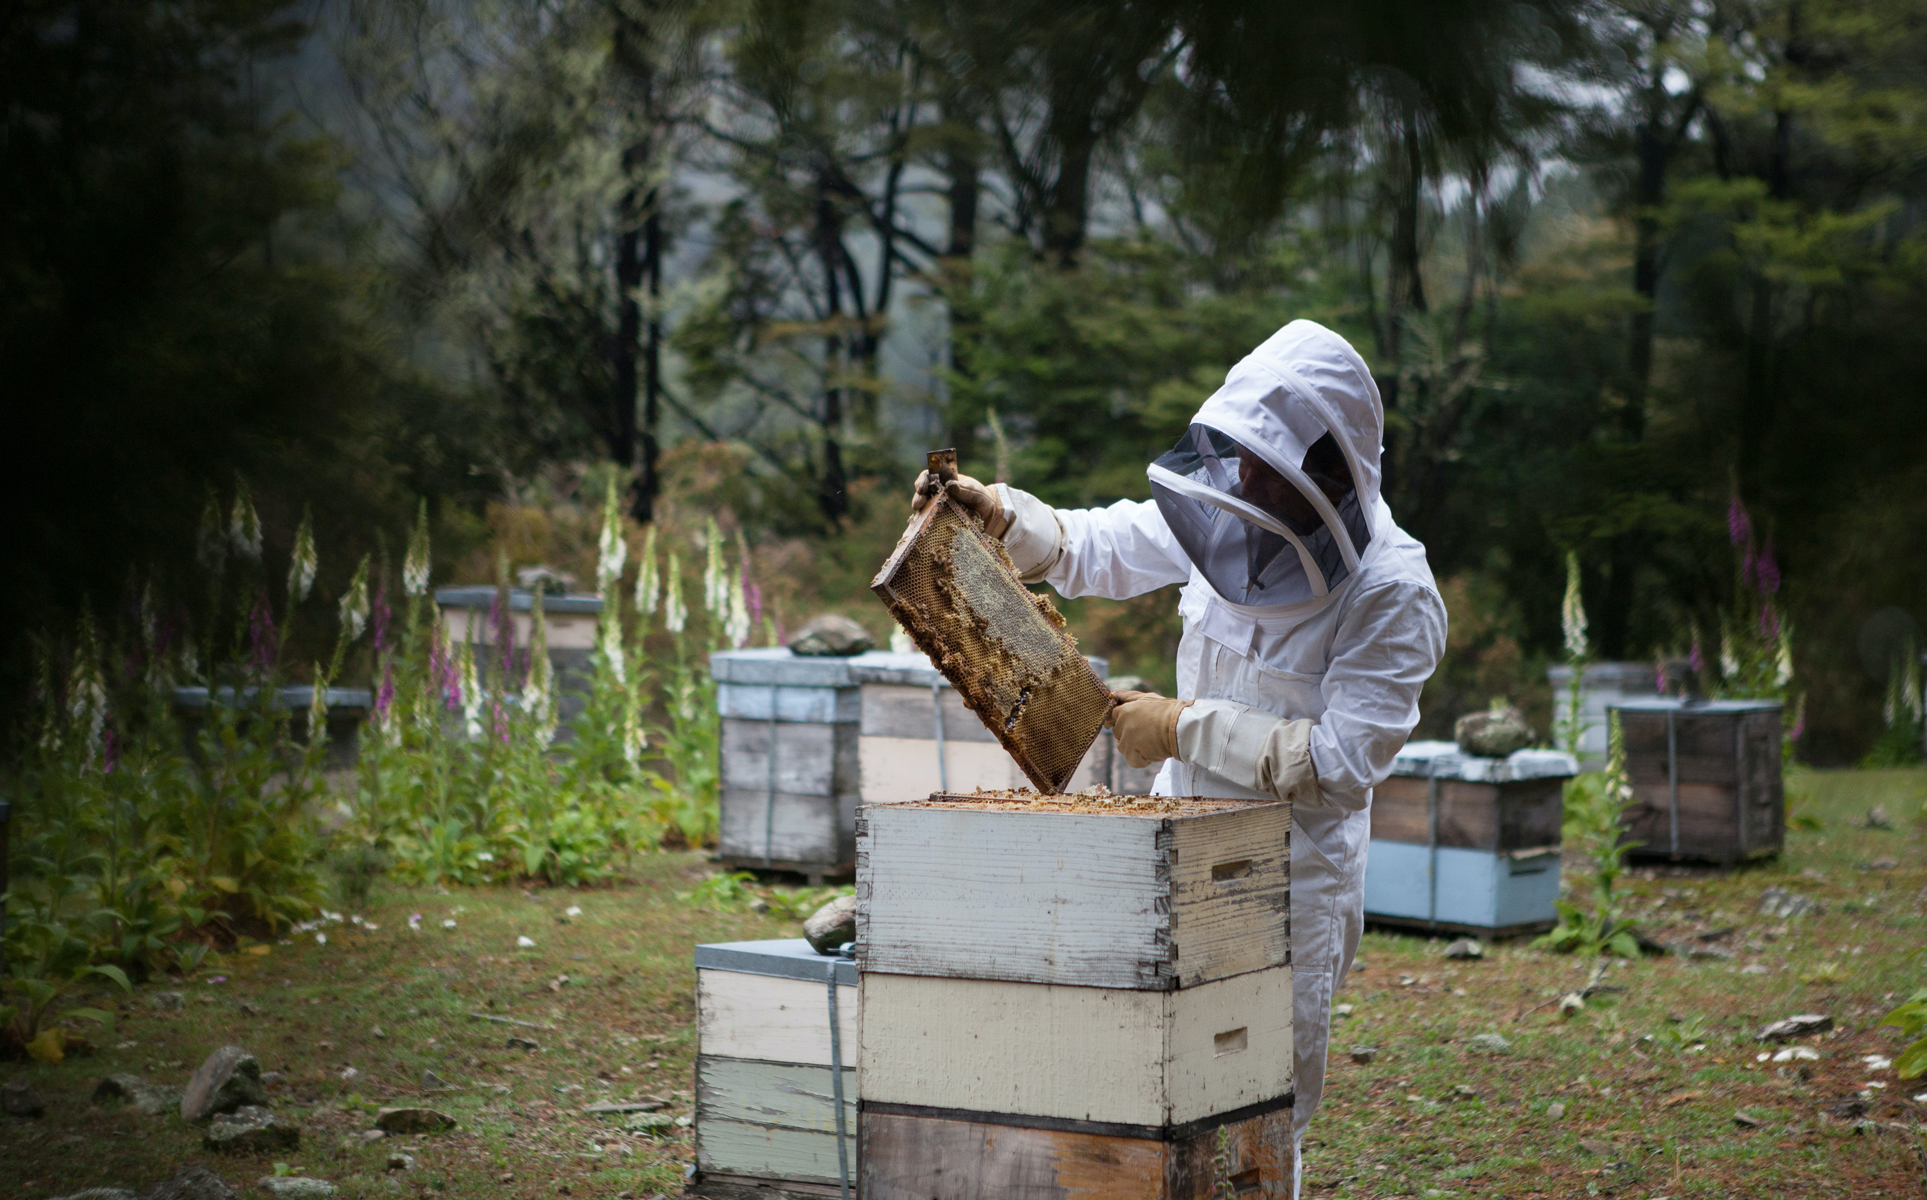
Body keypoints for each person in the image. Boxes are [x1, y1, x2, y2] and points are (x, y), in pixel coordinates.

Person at [911, 319, 1446, 1197]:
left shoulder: (1392, 591)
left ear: (1331, 470)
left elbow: (1345, 764)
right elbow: (1097, 545)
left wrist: (1179, 724)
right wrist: (1003, 513)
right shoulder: (1231, 511)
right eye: (1241, 455)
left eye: (1272, 465)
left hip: (1289, 883)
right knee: (1143, 1093)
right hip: (1173, 851)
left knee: (1253, 1120)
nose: (1247, 480)